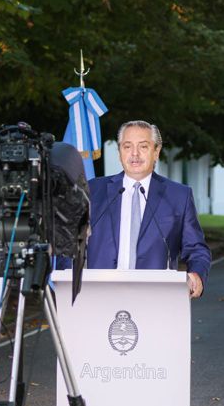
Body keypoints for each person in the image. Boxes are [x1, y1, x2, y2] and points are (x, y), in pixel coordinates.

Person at [86, 120, 211, 298]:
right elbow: (71, 243)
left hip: (156, 298)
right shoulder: (93, 191)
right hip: (99, 295)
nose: (134, 154)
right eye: (127, 146)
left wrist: (197, 276)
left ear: (156, 152)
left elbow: (196, 249)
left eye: (143, 147)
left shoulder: (178, 195)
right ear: (120, 152)